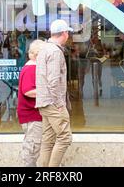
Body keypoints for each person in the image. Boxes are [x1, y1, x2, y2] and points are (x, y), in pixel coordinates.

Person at [35, 19, 73, 167]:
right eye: (67, 32)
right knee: (64, 137)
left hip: (44, 102)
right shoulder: (55, 52)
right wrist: (59, 104)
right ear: (64, 33)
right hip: (52, 103)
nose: (68, 35)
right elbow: (53, 81)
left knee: (48, 140)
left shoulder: (44, 49)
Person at [17, 39, 45, 167]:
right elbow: (27, 91)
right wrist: (47, 92)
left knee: (32, 147)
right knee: (32, 149)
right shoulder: (31, 69)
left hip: (32, 116)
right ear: (37, 55)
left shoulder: (31, 67)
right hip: (32, 116)